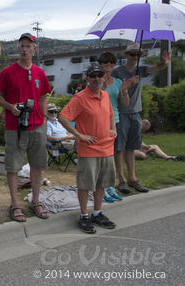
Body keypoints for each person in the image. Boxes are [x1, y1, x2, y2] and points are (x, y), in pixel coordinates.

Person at [0, 32, 51, 222]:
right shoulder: (8, 72)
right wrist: (10, 107)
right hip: (14, 127)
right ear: (18, 49)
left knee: (36, 166)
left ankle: (36, 200)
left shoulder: (39, 73)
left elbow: (44, 95)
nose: (25, 49)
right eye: (22, 46)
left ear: (34, 49)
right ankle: (15, 204)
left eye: (28, 46)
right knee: (13, 167)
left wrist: (43, 118)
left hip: (37, 126)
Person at [58, 64, 118, 234]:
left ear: (104, 77)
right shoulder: (80, 98)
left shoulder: (105, 95)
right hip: (89, 149)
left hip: (107, 147)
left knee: (101, 184)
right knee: (85, 185)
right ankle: (84, 215)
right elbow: (63, 117)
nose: (97, 78)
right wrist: (79, 135)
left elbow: (111, 114)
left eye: (100, 75)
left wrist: (113, 128)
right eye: (93, 76)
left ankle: (97, 213)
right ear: (87, 79)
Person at [112, 43, 170, 194]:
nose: (135, 57)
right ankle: (122, 180)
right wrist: (130, 83)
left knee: (131, 147)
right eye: (132, 54)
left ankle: (133, 179)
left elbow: (156, 67)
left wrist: (164, 63)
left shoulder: (141, 70)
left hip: (135, 113)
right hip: (121, 113)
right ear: (126, 55)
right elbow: (114, 92)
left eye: (137, 55)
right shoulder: (117, 72)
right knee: (119, 148)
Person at [99, 51, 130, 202]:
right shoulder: (95, 80)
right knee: (103, 157)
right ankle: (101, 187)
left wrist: (124, 90)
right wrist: (102, 87)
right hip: (100, 122)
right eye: (106, 63)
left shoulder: (118, 82)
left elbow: (125, 103)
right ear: (100, 64)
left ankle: (110, 185)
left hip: (115, 121)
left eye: (111, 63)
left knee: (112, 155)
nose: (109, 65)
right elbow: (94, 100)